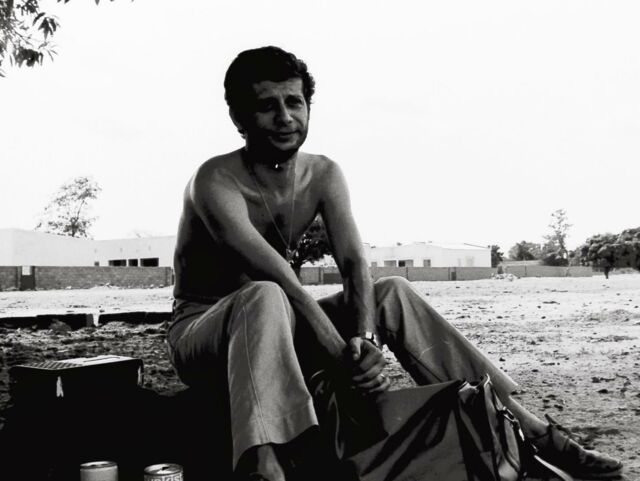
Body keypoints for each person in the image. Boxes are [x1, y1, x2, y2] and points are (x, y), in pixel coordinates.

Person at [167, 46, 623, 481]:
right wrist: (340, 354)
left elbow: (353, 262)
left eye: (295, 102)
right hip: (206, 336)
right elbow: (279, 279)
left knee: (393, 291)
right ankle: (265, 465)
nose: (285, 117)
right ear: (238, 118)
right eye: (267, 106)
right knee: (264, 294)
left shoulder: (322, 173)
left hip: (283, 326)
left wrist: (365, 341)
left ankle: (530, 429)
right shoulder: (214, 180)